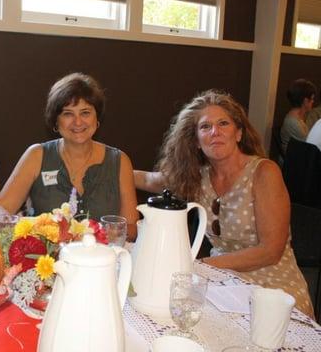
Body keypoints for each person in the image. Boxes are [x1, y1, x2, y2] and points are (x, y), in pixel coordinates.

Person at [134, 89, 314, 317]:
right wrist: (105, 160)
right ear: (196, 142)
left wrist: (199, 265)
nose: (215, 132)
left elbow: (271, 251)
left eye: (223, 124)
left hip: (272, 285)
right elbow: (149, 179)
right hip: (224, 284)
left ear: (239, 133)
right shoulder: (196, 177)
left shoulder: (264, 172)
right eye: (205, 127)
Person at [0, 73, 139, 240]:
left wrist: (99, 233)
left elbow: (132, 228)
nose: (78, 122)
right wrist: (16, 226)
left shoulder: (120, 161)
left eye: (85, 113)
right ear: (56, 121)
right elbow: (0, 208)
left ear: (97, 118)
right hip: (47, 263)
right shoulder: (36, 155)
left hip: (102, 261)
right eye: (68, 114)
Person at [280, 79, 316, 154]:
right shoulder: (293, 123)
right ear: (305, 101)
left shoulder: (298, 117)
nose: (313, 101)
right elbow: (311, 147)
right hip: (293, 162)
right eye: (312, 99)